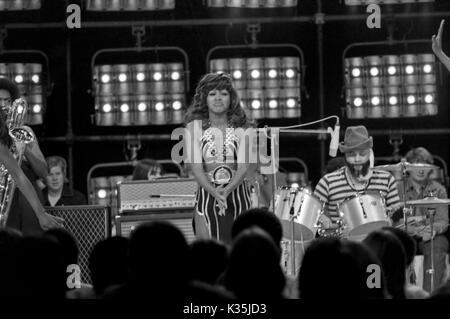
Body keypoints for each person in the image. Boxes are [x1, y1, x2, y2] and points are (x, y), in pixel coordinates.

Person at [184, 73, 255, 244]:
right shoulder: (193, 128)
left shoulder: (243, 128)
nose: (218, 98)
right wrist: (214, 192)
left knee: (240, 252)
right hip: (207, 197)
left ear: (231, 98)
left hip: (238, 197)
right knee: (208, 256)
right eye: (212, 94)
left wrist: (227, 190)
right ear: (204, 98)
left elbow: (243, 166)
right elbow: (196, 168)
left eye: (223, 93)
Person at [314, 125, 401, 239]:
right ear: (345, 156)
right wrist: (321, 217)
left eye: (362, 154)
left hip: (378, 245)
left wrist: (391, 218)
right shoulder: (328, 182)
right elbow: (312, 211)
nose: (357, 159)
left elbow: (397, 214)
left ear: (370, 153)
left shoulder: (386, 179)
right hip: (343, 248)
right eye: (351, 154)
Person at [0, 78, 62, 231]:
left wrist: (24, 147)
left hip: (27, 198)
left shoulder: (25, 131)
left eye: (7, 100)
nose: (3, 105)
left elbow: (43, 172)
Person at [400, 147, 449, 293]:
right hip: (405, 235)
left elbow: (442, 220)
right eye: (416, 165)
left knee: (439, 244)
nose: (421, 170)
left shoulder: (439, 189)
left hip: (430, 236)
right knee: (392, 242)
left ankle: (430, 294)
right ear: (408, 167)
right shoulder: (397, 188)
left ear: (430, 169)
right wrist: (418, 229)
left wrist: (432, 229)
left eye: (425, 165)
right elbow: (395, 223)